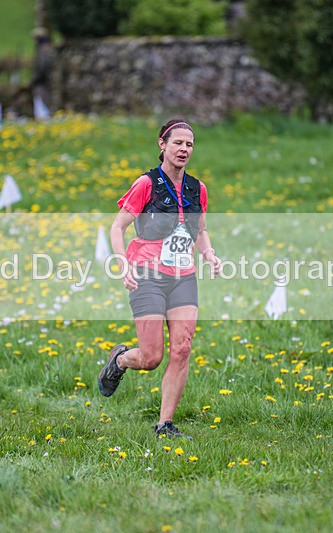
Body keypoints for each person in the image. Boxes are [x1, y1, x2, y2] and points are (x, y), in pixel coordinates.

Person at [98, 119, 222, 440]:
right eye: (177, 143)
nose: (184, 149)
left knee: (182, 348)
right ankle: (120, 360)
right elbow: (117, 227)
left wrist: (209, 253)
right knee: (151, 357)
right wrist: (123, 264)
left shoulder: (197, 188)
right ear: (162, 145)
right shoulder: (146, 183)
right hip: (147, 274)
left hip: (183, 276)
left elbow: (200, 230)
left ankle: (164, 425)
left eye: (189, 144)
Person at [30, 27, 53, 120]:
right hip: (48, 82)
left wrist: (34, 79)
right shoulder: (49, 48)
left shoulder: (43, 50)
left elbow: (41, 67)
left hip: (42, 83)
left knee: (41, 105)